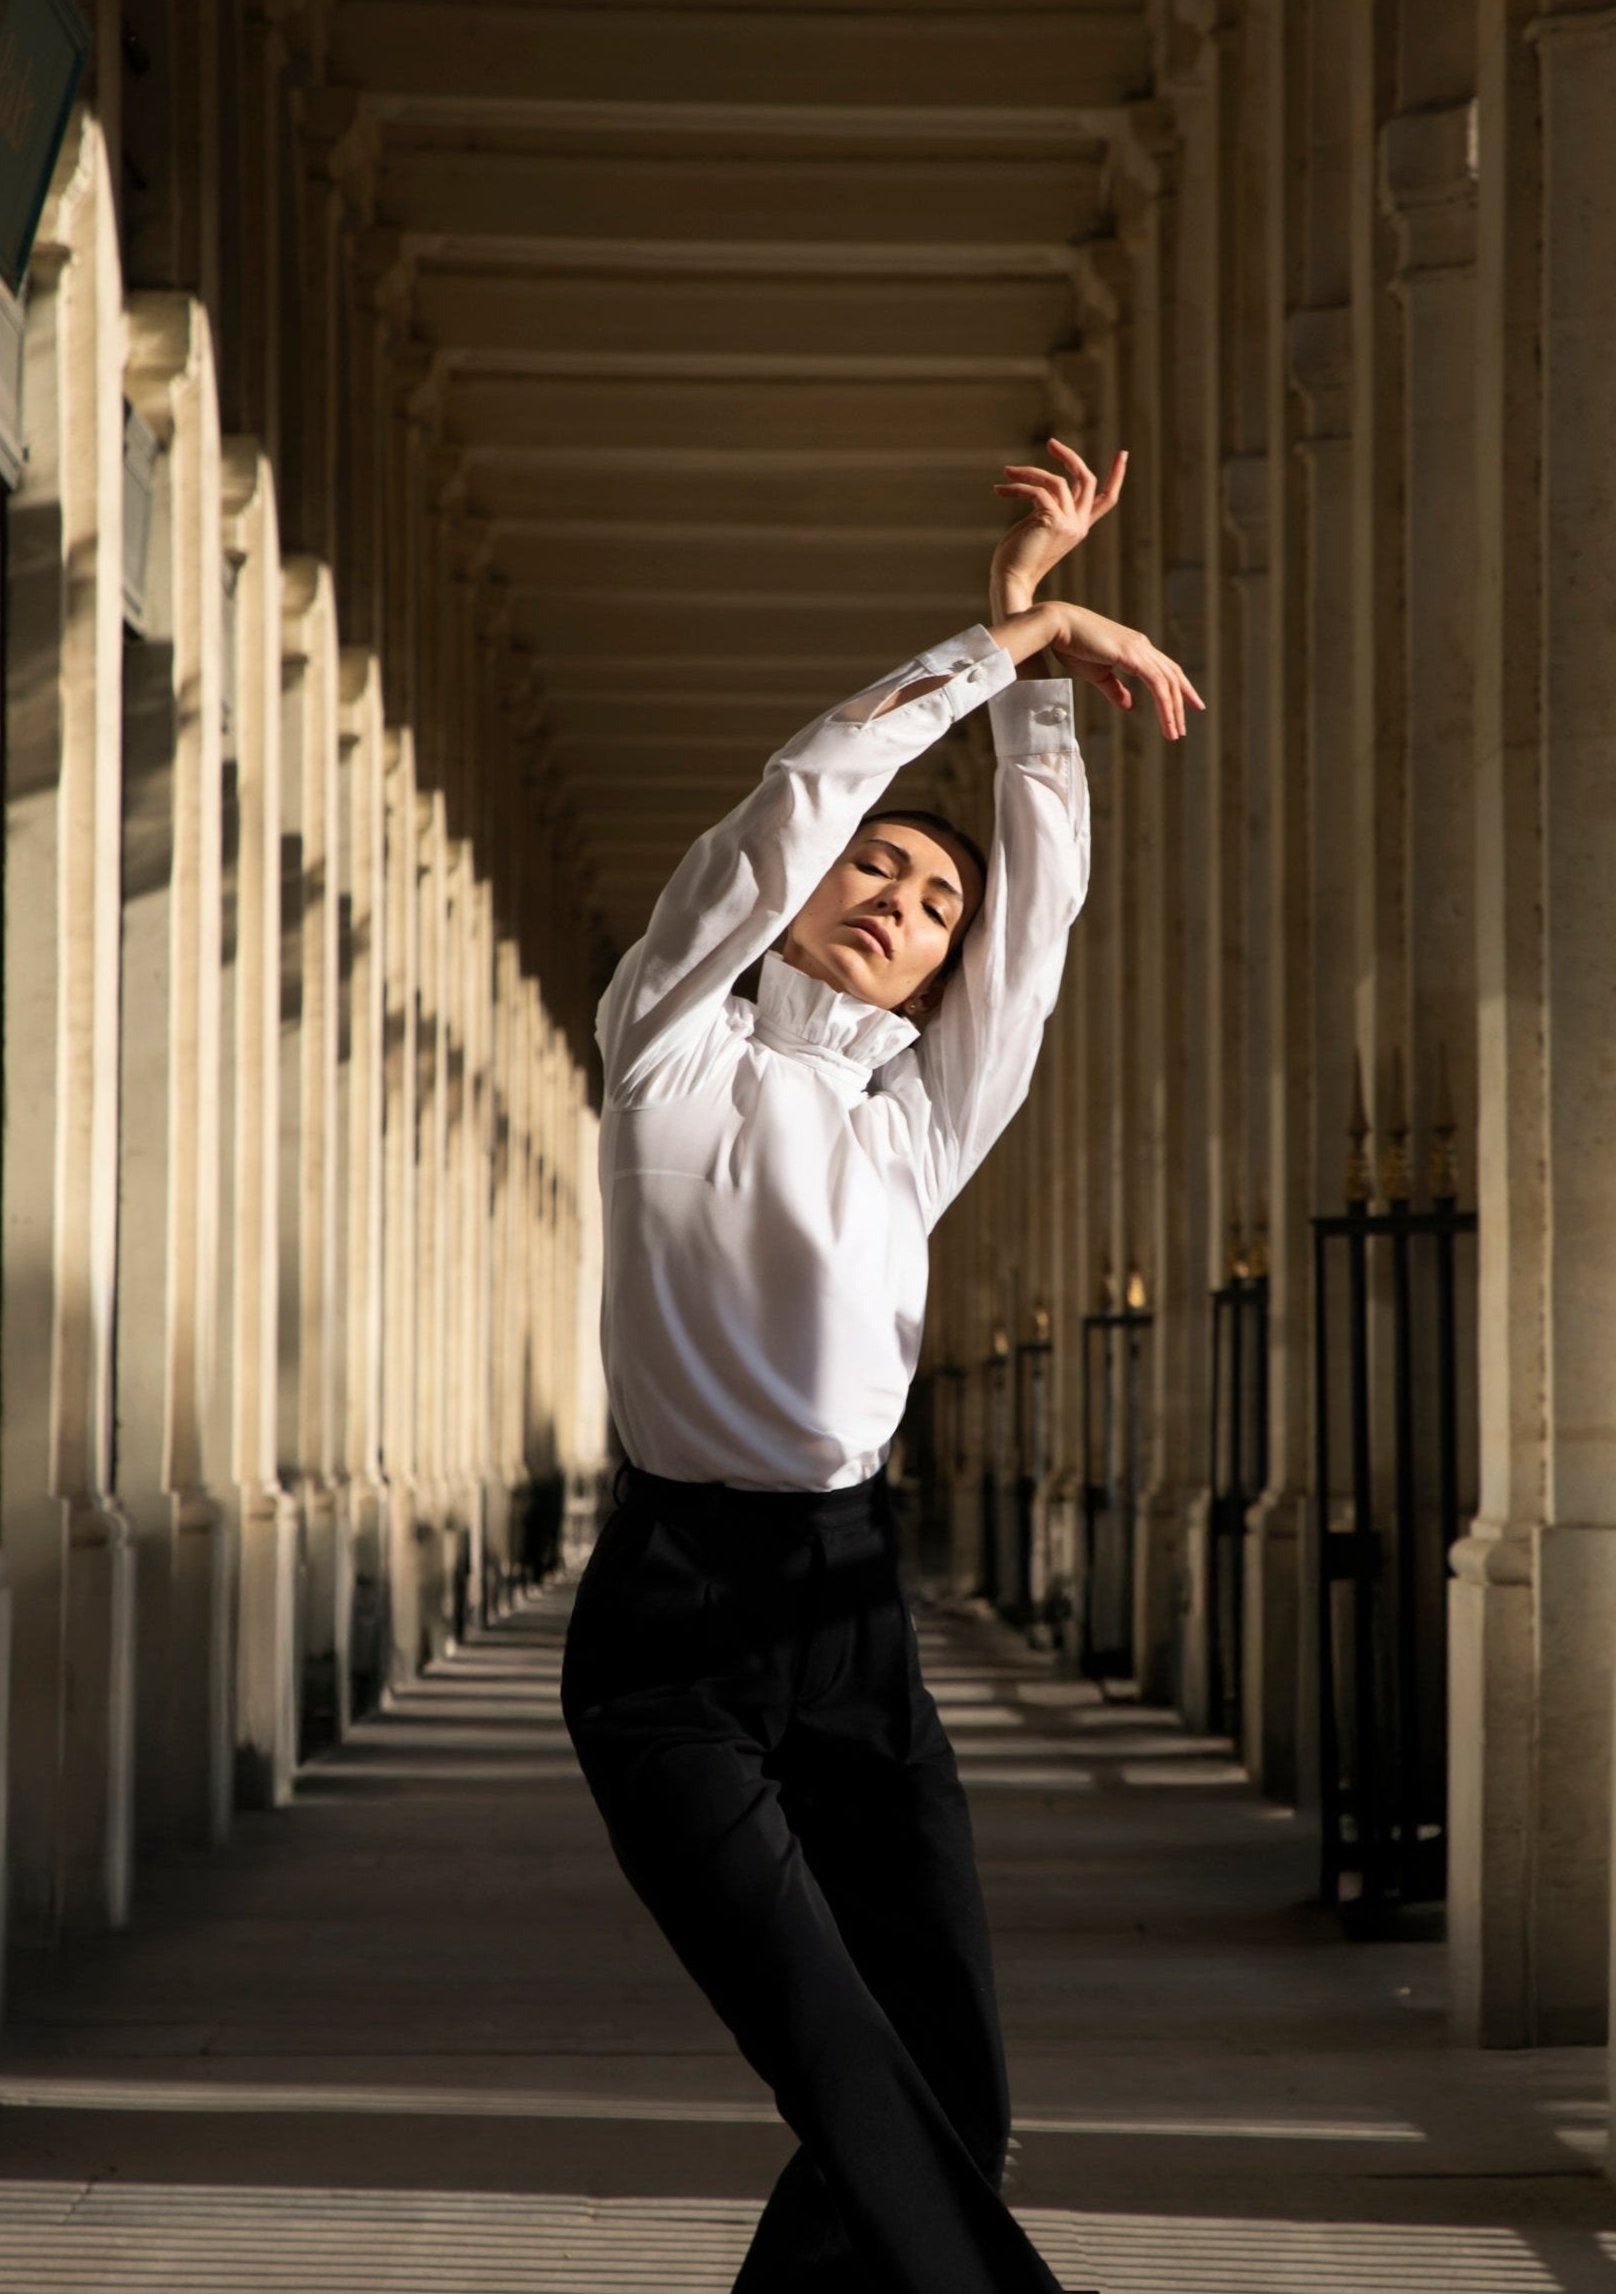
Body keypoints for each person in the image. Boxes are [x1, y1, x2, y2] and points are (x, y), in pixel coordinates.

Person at [560, 445, 1203, 2294]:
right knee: (836, 2051)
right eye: (881, 866)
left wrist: (1038, 699)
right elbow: (791, 800)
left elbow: (1037, 940)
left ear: (935, 979)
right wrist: (1002, 645)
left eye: (934, 904)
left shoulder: (914, 1129)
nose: (901, 898)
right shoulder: (667, 1040)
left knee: (950, 2081)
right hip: (668, 1625)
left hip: (851, 1609)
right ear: (805, 896)